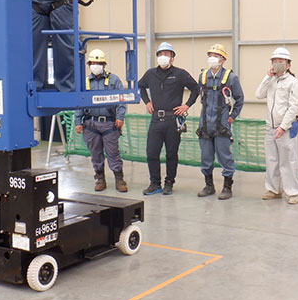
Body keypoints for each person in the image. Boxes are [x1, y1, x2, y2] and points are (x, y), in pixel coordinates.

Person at [138, 42, 199, 196]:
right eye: (161, 54)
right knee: (152, 153)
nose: (163, 57)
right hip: (156, 120)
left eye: (167, 54)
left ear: (172, 58)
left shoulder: (180, 74)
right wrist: (147, 101)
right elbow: (140, 86)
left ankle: (169, 182)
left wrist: (187, 105)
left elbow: (196, 88)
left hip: (173, 121)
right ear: (157, 57)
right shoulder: (151, 74)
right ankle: (155, 183)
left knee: (171, 154)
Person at [73, 49, 128, 193]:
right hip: (91, 125)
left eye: (98, 63)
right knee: (95, 154)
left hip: (109, 124)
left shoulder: (114, 80)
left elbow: (122, 100)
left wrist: (120, 117)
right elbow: (78, 103)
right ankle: (100, 178)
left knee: (113, 153)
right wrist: (77, 122)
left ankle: (119, 179)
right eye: (93, 63)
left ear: (103, 64)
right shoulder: (84, 82)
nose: (95, 65)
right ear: (89, 64)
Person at [255, 46, 298, 204]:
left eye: (281, 61)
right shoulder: (271, 81)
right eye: (275, 61)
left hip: (286, 129)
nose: (277, 63)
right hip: (270, 127)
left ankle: (293, 192)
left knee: (289, 161)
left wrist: (283, 127)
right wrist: (267, 77)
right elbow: (259, 95)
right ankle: (273, 189)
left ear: (288, 64)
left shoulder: (293, 83)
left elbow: (293, 107)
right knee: (271, 160)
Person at [196, 44, 244, 200]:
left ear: (223, 60)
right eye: (210, 55)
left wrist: (232, 117)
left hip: (221, 124)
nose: (212, 58)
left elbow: (239, 99)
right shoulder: (203, 76)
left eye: (216, 56)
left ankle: (227, 186)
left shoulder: (230, 77)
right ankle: (209, 185)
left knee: (225, 156)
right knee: (206, 156)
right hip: (204, 123)